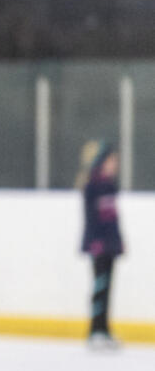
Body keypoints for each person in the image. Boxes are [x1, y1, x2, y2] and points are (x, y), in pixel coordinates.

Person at [77, 140, 124, 348]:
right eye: (113, 160)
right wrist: (94, 241)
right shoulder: (94, 185)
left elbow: (112, 219)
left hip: (110, 245)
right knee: (100, 287)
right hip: (98, 245)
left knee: (107, 288)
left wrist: (118, 242)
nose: (116, 164)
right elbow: (92, 218)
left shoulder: (109, 186)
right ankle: (95, 330)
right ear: (103, 161)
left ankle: (104, 329)